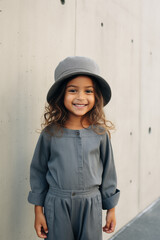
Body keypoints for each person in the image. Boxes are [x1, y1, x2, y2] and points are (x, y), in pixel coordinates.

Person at [28, 56, 120, 240]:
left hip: (91, 205)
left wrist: (111, 209)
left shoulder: (100, 134)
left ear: (96, 96)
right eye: (72, 90)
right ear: (61, 95)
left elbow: (109, 173)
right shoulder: (50, 134)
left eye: (88, 91)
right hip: (57, 203)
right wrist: (38, 211)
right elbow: (38, 172)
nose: (80, 97)